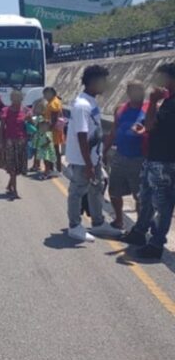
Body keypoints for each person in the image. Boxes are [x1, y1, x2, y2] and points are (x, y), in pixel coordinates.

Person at [120, 64, 175, 260]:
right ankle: (139, 231)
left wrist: (152, 103)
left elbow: (151, 125)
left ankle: (156, 244)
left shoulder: (170, 103)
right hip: (156, 159)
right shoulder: (168, 102)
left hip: (165, 162)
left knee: (162, 204)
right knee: (147, 197)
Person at [64, 65, 121, 242]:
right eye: (103, 81)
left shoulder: (91, 101)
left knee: (96, 189)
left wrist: (98, 157)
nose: (106, 85)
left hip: (92, 157)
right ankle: (74, 226)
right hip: (83, 159)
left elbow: (93, 131)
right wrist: (88, 164)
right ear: (93, 82)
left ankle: (98, 223)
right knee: (77, 191)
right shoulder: (82, 105)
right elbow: (81, 136)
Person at [104, 81, 148, 230]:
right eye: (132, 90)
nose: (136, 93)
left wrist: (145, 130)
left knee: (140, 195)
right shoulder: (120, 109)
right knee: (114, 192)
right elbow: (113, 131)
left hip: (140, 159)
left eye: (139, 90)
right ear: (128, 93)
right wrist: (104, 150)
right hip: (120, 156)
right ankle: (119, 220)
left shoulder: (150, 108)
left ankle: (141, 226)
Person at [0, 90, 30, 199]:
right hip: (9, 141)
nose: (16, 100)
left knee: (19, 167)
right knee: (12, 167)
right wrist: (0, 142)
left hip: (22, 142)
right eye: (14, 98)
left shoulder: (26, 110)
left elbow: (32, 125)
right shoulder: (6, 111)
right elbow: (1, 127)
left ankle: (10, 186)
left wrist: (30, 120)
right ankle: (15, 191)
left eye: (18, 98)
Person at [43, 87, 65, 175]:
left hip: (52, 131)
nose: (44, 96)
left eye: (45, 94)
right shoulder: (54, 101)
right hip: (53, 130)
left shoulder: (54, 103)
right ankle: (56, 169)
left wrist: (48, 130)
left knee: (53, 150)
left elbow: (54, 119)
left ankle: (55, 170)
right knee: (54, 150)